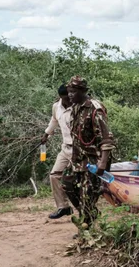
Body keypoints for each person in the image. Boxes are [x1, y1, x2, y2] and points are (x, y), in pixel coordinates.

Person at [63, 75, 115, 227]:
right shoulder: (75, 108)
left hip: (94, 159)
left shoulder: (95, 108)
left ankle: (86, 227)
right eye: (69, 91)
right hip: (79, 157)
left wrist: (103, 163)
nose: (70, 95)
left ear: (82, 91)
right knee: (66, 183)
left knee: (87, 193)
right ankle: (89, 213)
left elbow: (106, 138)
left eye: (73, 91)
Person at [41, 84, 73, 219]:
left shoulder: (78, 107)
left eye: (69, 98)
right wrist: (46, 134)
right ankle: (63, 207)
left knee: (77, 179)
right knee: (54, 176)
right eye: (64, 98)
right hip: (66, 148)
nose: (67, 101)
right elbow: (54, 120)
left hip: (80, 149)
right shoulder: (56, 107)